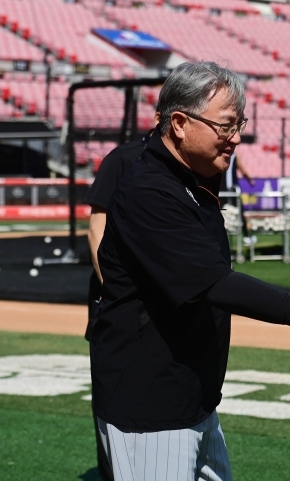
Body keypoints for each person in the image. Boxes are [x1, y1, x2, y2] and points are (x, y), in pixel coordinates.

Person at [90, 61, 290, 481]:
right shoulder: (149, 190)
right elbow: (214, 284)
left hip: (191, 396)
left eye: (240, 124)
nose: (236, 138)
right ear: (179, 122)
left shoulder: (193, 178)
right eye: (226, 126)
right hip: (151, 406)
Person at [84, 134, 151, 481]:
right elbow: (96, 228)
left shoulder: (187, 164)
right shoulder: (123, 158)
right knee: (113, 398)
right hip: (116, 306)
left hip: (162, 309)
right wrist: (116, 291)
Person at [220, 152, 256, 246]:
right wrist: (250, 181)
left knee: (220, 213)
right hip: (233, 191)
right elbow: (243, 171)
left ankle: (219, 237)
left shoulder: (220, 155)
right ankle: (247, 237)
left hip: (221, 190)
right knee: (240, 213)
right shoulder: (234, 156)